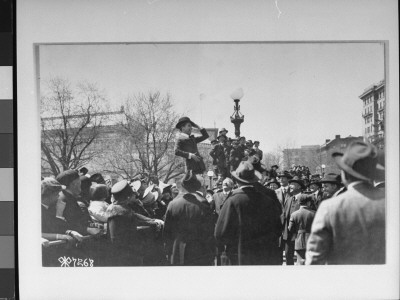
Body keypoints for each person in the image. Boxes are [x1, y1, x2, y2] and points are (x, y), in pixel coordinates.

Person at [306, 141, 385, 265]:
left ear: (345, 174)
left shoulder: (330, 207)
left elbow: (315, 256)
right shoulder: (392, 204)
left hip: (342, 280)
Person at [215, 161, 282, 265]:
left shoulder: (232, 201)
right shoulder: (268, 201)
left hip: (238, 256)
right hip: (263, 256)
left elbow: (220, 233)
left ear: (237, 181)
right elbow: (278, 229)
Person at [163, 171, 216, 265]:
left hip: (178, 251)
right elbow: (209, 232)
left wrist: (169, 251)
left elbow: (167, 232)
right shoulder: (204, 205)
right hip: (199, 251)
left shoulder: (173, 204)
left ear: (183, 186)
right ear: (197, 187)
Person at [105, 180, 142, 266]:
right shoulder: (115, 210)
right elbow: (114, 238)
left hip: (130, 250)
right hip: (123, 254)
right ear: (127, 197)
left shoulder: (123, 207)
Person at [55, 170, 99, 236]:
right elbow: (61, 224)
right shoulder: (62, 200)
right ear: (74, 184)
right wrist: (87, 229)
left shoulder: (69, 197)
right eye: (79, 183)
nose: (80, 186)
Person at [41, 177, 83, 245]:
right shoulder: (36, 211)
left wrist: (69, 232)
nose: (58, 196)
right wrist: (59, 236)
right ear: (49, 195)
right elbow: (34, 233)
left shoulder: (51, 208)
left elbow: (56, 225)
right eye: (56, 194)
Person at [288, 195, 315, 265]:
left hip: (299, 240)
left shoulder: (294, 214)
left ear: (298, 203)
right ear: (308, 203)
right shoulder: (314, 213)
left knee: (300, 262)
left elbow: (290, 229)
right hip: (312, 240)